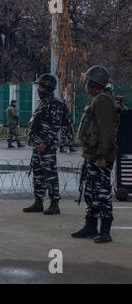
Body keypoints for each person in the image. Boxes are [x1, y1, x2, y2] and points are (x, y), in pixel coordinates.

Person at [72, 66, 119, 243]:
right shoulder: (98, 99)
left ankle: (105, 230)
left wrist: (101, 156)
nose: (86, 84)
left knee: (102, 193)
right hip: (92, 155)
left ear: (94, 83)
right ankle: (90, 226)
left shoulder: (102, 101)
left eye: (88, 81)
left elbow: (106, 132)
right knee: (91, 192)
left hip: (100, 157)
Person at [23, 74, 64, 215]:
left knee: (50, 175)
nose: (38, 89)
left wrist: (45, 143)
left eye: (40, 86)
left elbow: (55, 127)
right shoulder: (43, 104)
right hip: (38, 145)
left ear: (47, 88)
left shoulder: (55, 104)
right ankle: (38, 202)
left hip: (47, 147)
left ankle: (54, 203)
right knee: (38, 174)